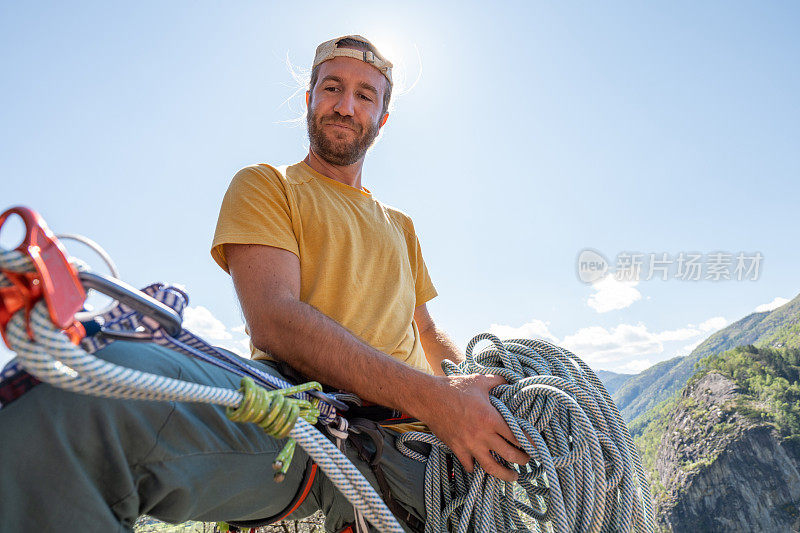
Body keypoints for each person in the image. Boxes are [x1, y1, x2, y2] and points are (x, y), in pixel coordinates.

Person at [0, 35, 526, 532]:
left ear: (381, 118)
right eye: (332, 88)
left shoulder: (401, 226)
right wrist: (438, 401)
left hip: (418, 448)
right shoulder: (268, 185)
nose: (345, 105)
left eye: (364, 95)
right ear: (309, 98)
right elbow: (275, 318)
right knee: (71, 405)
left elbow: (428, 333)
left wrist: (481, 395)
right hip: (313, 421)